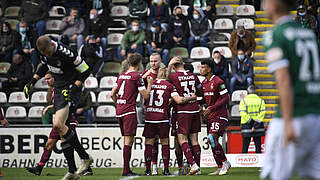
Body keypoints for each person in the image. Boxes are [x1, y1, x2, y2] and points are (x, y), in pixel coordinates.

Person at [260, 0, 320, 180]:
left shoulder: (275, 35)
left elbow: (284, 79)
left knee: (274, 175)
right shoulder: (307, 33)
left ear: (275, 5)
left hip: (294, 115)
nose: (263, 6)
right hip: (315, 116)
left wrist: (287, 123)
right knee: (311, 175)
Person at [23, 36, 93, 179]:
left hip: (71, 88)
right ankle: (72, 171)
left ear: (52, 45)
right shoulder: (44, 53)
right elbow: (44, 66)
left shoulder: (66, 53)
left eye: (48, 52)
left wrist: (74, 88)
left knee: (58, 124)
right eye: (44, 54)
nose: (47, 55)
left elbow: (86, 70)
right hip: (59, 88)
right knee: (62, 132)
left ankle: (85, 158)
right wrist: (32, 81)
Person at [143, 67, 197, 176]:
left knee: (149, 144)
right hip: (162, 118)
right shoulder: (169, 86)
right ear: (167, 75)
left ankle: (148, 170)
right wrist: (191, 97)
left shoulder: (150, 84)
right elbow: (179, 100)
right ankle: (166, 169)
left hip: (149, 118)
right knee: (165, 143)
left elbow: (145, 100)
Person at [111, 53, 153, 176]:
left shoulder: (121, 76)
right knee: (128, 141)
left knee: (126, 140)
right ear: (139, 64)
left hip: (119, 110)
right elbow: (145, 96)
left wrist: (118, 104)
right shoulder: (136, 77)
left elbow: (112, 94)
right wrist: (149, 84)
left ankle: (126, 169)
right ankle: (126, 170)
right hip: (129, 111)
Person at [168, 57, 203, 175]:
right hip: (194, 110)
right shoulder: (194, 76)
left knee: (182, 139)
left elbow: (164, 78)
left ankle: (193, 165)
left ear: (173, 66)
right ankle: (198, 167)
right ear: (183, 64)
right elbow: (200, 91)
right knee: (194, 140)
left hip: (183, 111)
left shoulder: (173, 77)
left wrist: (169, 65)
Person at [200, 59, 231, 176]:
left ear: (209, 69)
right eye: (200, 67)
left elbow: (226, 98)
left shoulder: (218, 81)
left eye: (203, 67)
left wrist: (211, 108)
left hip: (220, 115)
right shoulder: (203, 84)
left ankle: (225, 162)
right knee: (213, 142)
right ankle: (220, 166)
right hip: (210, 116)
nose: (201, 69)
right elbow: (205, 99)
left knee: (211, 139)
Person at [239, 85, 265, 153]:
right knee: (258, 148)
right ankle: (259, 163)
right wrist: (255, 125)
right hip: (258, 127)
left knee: (245, 148)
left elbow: (242, 113)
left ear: (248, 92)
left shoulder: (243, 101)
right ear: (255, 92)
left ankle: (243, 163)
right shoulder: (261, 101)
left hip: (246, 126)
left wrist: (251, 123)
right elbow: (262, 113)